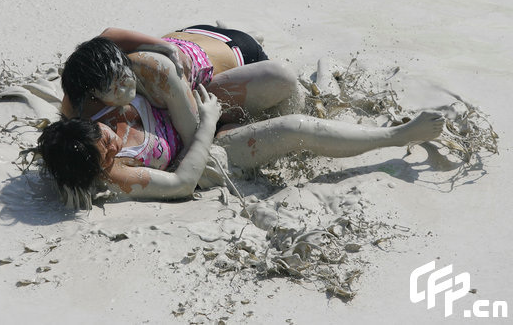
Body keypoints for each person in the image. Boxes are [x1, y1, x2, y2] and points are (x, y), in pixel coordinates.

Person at [38, 82, 445, 209]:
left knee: (283, 86)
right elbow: (182, 182)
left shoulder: (76, 119)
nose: (111, 147)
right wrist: (207, 124)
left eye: (104, 139)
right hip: (203, 158)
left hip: (186, 125)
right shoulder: (115, 174)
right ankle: (400, 136)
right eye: (105, 155)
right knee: (293, 128)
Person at [59, 24, 301, 151]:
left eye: (125, 76)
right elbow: (107, 36)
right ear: (92, 92)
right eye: (116, 88)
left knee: (215, 126)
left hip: (241, 55)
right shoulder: (81, 90)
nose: (126, 86)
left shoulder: (158, 73)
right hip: (195, 33)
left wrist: (166, 48)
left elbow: (195, 141)